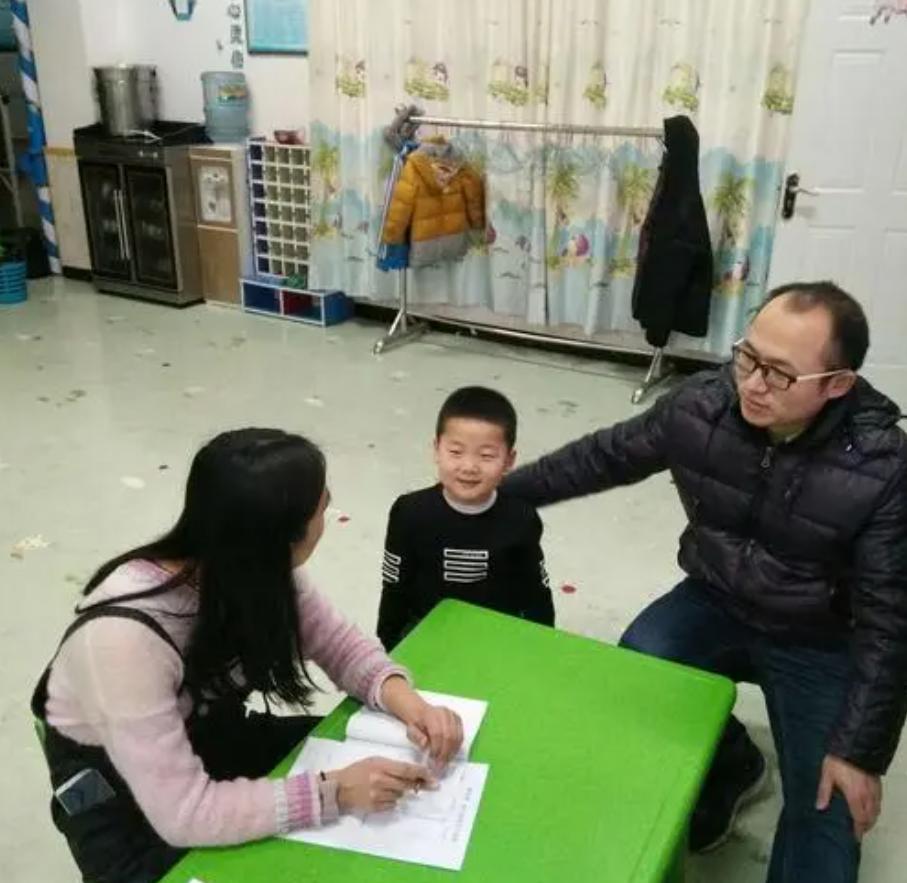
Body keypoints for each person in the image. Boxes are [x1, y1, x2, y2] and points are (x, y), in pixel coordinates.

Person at [504, 282, 907, 882]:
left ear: (837, 384)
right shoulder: (703, 405)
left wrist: (859, 753)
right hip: (716, 598)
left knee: (828, 809)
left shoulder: (883, 467)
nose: (753, 384)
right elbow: (607, 455)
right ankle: (732, 763)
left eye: (780, 374)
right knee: (642, 662)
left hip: (820, 637)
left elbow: (890, 622)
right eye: (748, 357)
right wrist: (498, 495)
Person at [32, 429, 464, 883]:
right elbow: (185, 814)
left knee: (374, 758)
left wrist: (408, 703)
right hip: (124, 806)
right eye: (322, 505)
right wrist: (334, 793)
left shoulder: (251, 567)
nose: (327, 511)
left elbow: (340, 646)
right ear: (282, 535)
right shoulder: (122, 642)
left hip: (209, 737)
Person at [377, 386, 554, 650]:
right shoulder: (410, 513)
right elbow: (394, 582)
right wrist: (391, 643)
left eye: (486, 456)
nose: (469, 467)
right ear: (436, 449)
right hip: (427, 631)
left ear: (509, 460)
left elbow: (535, 590)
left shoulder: (521, 517)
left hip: (496, 634)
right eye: (456, 452)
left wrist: (544, 643)